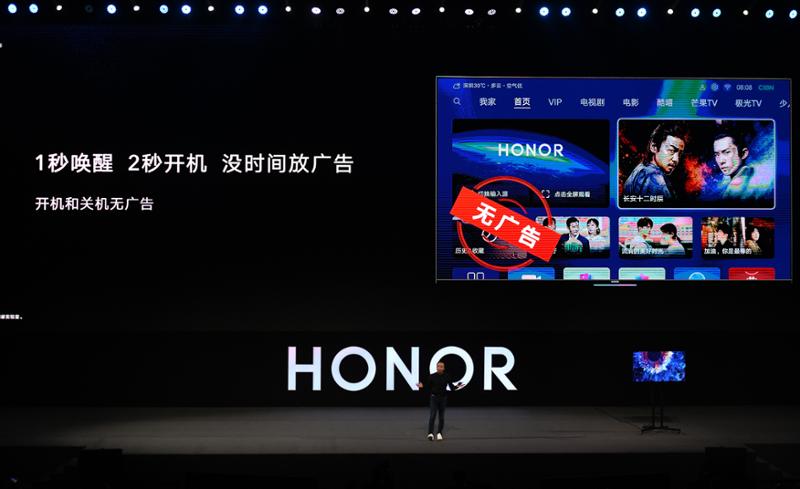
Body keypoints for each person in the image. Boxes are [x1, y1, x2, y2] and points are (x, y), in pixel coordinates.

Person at [623, 122, 688, 201]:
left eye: (680, 154)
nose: (676, 159)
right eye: (671, 150)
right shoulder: (654, 177)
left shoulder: (640, 169)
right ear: (654, 147)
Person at [712, 130, 772, 202]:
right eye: (717, 155)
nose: (721, 161)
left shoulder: (742, 188)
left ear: (743, 153)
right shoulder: (728, 184)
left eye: (727, 152)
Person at [416, 361, 463, 441]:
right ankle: (430, 433)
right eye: (438, 366)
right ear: (436, 367)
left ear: (443, 368)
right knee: (432, 416)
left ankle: (439, 433)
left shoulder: (447, 376)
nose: (439, 368)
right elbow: (427, 388)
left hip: (443, 399)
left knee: (441, 417)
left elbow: (452, 388)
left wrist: (458, 386)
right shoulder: (432, 376)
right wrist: (422, 387)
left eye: (441, 366)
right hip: (434, 398)